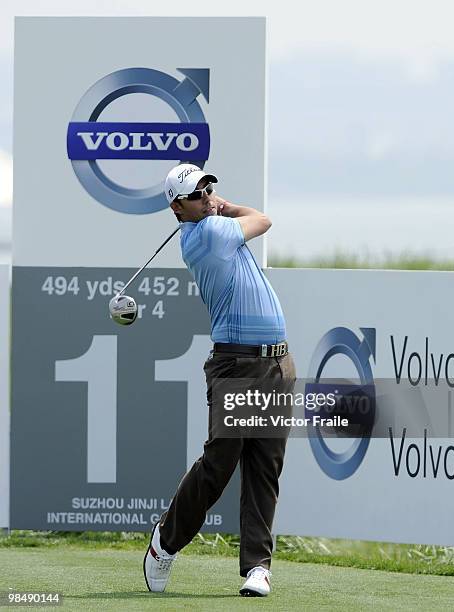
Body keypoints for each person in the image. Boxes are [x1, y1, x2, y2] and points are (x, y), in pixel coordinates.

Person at [143, 163, 296, 597]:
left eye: (210, 187)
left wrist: (217, 206)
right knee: (220, 465)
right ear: (177, 207)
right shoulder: (207, 235)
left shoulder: (212, 224)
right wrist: (226, 210)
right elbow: (263, 219)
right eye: (198, 193)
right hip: (237, 364)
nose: (209, 195)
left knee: (265, 466)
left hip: (277, 363)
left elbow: (256, 219)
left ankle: (258, 568)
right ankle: (165, 543)